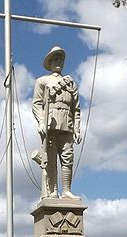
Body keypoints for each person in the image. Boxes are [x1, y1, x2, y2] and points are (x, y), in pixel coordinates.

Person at [32, 46, 81, 199]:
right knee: (50, 159)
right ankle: (53, 191)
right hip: (50, 125)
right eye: (55, 58)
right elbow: (36, 104)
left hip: (67, 126)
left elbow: (76, 109)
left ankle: (66, 191)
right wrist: (41, 122)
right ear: (50, 62)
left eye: (60, 58)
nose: (58, 61)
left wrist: (77, 129)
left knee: (68, 159)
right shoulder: (42, 81)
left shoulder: (70, 83)